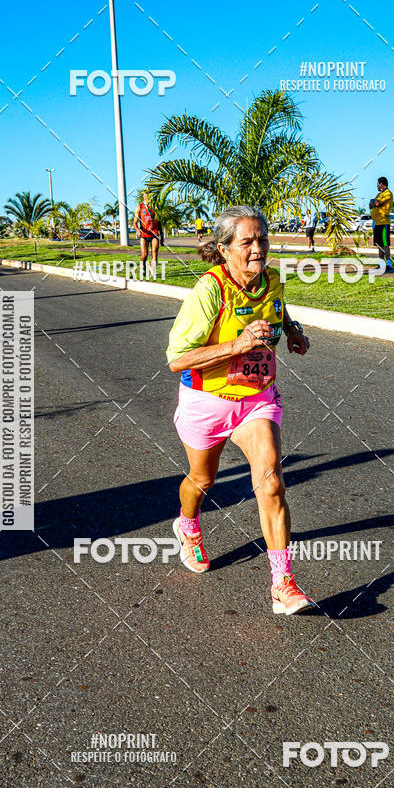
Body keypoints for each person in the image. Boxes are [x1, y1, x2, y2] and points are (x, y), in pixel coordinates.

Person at [166, 205, 313, 615]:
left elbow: (277, 311)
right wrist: (238, 344)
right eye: (246, 241)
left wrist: (294, 333)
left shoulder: (272, 280)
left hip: (257, 398)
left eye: (262, 239)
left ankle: (283, 585)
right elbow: (177, 359)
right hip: (206, 399)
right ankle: (188, 527)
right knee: (203, 479)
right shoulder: (209, 290)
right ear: (225, 249)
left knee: (270, 481)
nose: (257, 249)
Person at [369, 176, 394, 270]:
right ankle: (381, 264)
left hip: (383, 222)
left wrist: (374, 203)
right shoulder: (379, 195)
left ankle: (389, 265)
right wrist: (374, 202)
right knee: (379, 245)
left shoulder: (388, 193)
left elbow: (376, 204)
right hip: (377, 223)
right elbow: (371, 204)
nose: (377, 185)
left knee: (385, 244)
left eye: (378, 183)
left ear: (381, 184)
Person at [133, 192, 160, 270]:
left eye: (149, 195)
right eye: (146, 195)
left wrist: (161, 234)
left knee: (154, 253)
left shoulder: (154, 207)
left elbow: (158, 221)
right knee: (144, 255)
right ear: (143, 196)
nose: (148, 197)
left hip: (154, 233)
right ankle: (143, 266)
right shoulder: (139, 207)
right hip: (144, 234)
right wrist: (137, 229)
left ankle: (153, 273)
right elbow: (135, 221)